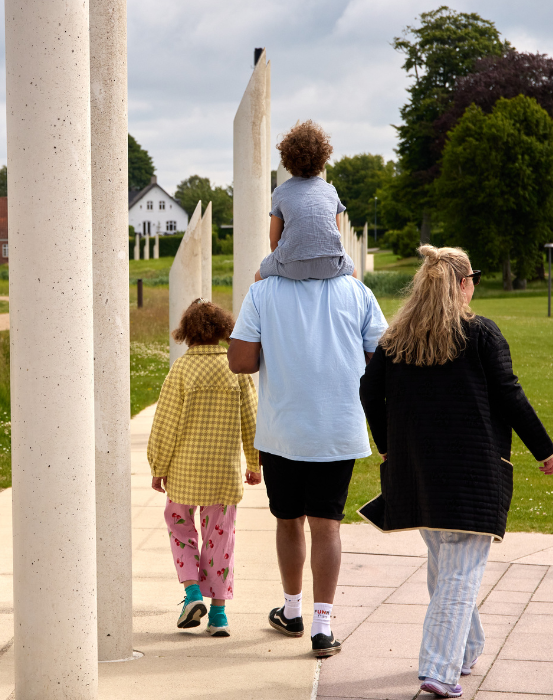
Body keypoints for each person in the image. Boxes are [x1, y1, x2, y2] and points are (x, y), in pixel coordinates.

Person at [358, 245, 553, 699]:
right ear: (464, 284)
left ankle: (466, 650)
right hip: (471, 477)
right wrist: (544, 449)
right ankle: (439, 669)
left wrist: (388, 448)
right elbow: (511, 395)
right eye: (476, 280)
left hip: (414, 475)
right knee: (458, 573)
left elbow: (368, 393)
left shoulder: (396, 340)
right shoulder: (481, 334)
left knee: (445, 566)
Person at [228, 249, 388, 658]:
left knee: (288, 521)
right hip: (337, 428)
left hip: (283, 429)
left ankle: (292, 610)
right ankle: (322, 626)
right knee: (327, 525)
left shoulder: (262, 292)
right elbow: (382, 361)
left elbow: (241, 361)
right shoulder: (357, 291)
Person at [149, 300, 259, 637]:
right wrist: (255, 463)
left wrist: (158, 465)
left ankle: (192, 593)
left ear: (188, 334)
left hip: (184, 473)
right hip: (223, 475)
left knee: (179, 525)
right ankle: (219, 615)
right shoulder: (235, 370)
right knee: (220, 540)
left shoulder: (181, 370)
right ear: (224, 330)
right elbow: (252, 420)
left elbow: (165, 424)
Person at [256, 120, 355, 282]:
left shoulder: (280, 192)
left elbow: (273, 240)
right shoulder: (330, 191)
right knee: (354, 274)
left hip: (293, 267)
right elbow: (336, 233)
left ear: (287, 158)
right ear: (323, 157)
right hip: (329, 265)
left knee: (257, 276)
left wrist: (283, 262)